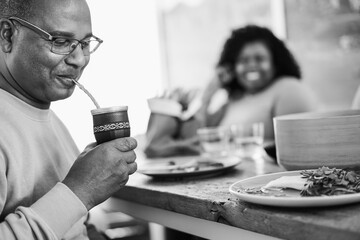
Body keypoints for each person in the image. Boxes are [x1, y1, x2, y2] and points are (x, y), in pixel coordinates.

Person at [0, 0, 137, 239]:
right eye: (60, 41)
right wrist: (80, 190)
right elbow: (74, 199)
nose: (80, 60)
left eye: (84, 43)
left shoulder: (47, 118)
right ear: (8, 35)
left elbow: (77, 227)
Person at [197, 25, 320, 142]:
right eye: (243, 60)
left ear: (275, 63)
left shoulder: (289, 89)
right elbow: (202, 136)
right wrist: (208, 93)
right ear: (232, 67)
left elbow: (298, 146)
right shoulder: (234, 99)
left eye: (259, 58)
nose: (251, 66)